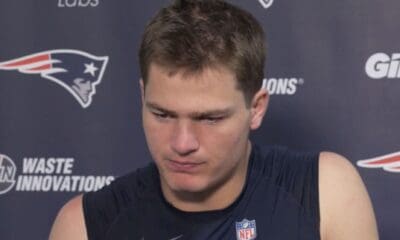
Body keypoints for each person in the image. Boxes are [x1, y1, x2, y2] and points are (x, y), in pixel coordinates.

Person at [49, 0, 378, 239]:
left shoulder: (325, 193)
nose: (182, 143)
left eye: (209, 118)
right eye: (162, 114)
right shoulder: (85, 226)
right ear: (142, 98)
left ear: (257, 108)